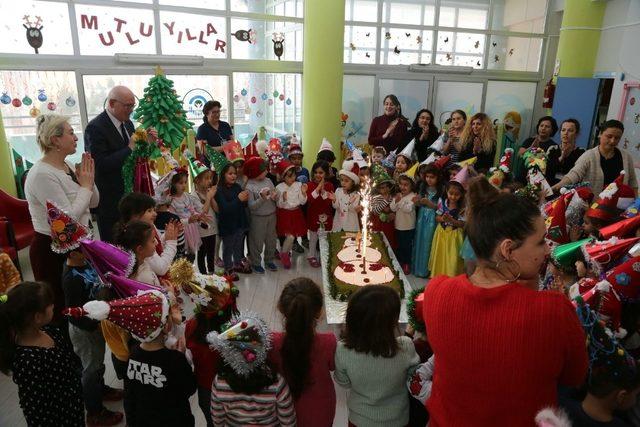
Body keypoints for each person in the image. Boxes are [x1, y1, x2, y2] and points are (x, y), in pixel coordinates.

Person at [421, 177, 588, 426]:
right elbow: (574, 376)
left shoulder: (437, 290)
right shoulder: (552, 310)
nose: (547, 251)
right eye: (541, 241)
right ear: (508, 249)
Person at [25, 114, 99, 323]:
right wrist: (85, 187)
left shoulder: (66, 166)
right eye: (70, 133)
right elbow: (66, 221)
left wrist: (89, 181)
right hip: (52, 251)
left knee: (83, 308)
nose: (76, 138)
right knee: (61, 311)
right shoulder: (41, 174)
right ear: (55, 140)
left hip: (77, 247)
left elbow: (93, 203)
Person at [0, 281, 84, 426]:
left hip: (72, 404)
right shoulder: (27, 361)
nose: (53, 306)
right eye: (50, 304)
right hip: (57, 417)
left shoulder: (50, 331)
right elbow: (35, 406)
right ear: (37, 317)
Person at [335, 285, 420, 427]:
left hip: (359, 420)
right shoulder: (406, 345)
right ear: (392, 322)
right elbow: (413, 376)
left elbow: (344, 382)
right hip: (397, 420)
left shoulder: (342, 350)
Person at [209, 313, 297, 426]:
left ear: (227, 353)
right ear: (264, 348)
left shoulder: (219, 382)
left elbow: (217, 420)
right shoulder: (276, 383)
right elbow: (288, 422)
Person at [271, 278, 337, 427]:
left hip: (282, 413)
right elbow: (334, 367)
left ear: (281, 308)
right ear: (319, 312)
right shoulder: (329, 342)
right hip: (321, 411)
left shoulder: (271, 342)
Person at [185, 274, 238, 427]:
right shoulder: (235, 332)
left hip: (205, 389)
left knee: (212, 422)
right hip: (230, 387)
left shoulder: (191, 326)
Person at [85, 85, 135, 243]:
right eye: (128, 105)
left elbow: (132, 156)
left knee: (130, 241)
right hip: (109, 198)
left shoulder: (128, 124)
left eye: (133, 105)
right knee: (113, 244)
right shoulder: (95, 127)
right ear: (112, 103)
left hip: (128, 194)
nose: (131, 110)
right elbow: (100, 164)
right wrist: (129, 148)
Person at [553, 120, 638, 196]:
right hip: (592, 207)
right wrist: (557, 186)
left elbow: (633, 183)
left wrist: (635, 206)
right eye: (609, 136)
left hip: (618, 208)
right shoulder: (589, 155)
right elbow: (574, 174)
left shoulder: (626, 157)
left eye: (617, 138)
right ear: (600, 134)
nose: (612, 141)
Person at [118, 192, 180, 278]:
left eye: (154, 210)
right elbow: (161, 268)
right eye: (149, 211)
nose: (155, 214)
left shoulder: (149, 226)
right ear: (135, 215)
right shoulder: (138, 236)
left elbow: (158, 245)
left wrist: (168, 235)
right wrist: (171, 242)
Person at [428, 171, 467, 278]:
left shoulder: (463, 208)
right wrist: (442, 218)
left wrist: (452, 221)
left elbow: (463, 224)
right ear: (446, 191)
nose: (453, 197)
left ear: (462, 194)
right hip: (441, 233)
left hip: (454, 236)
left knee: (452, 258)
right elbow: (437, 217)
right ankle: (439, 276)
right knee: (440, 255)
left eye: (457, 194)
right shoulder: (442, 202)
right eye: (451, 193)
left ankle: (451, 278)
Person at [215, 162, 250, 280]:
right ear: (223, 175)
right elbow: (225, 209)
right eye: (230, 173)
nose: (233, 176)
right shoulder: (219, 190)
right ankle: (228, 269)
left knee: (238, 245)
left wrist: (245, 198)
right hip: (227, 225)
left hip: (239, 223)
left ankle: (237, 264)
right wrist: (239, 199)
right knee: (228, 247)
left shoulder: (237, 187)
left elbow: (243, 205)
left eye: (235, 173)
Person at [244, 156, 278, 274]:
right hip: (257, 218)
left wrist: (275, 197)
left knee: (271, 241)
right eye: (264, 170)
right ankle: (256, 263)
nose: (267, 171)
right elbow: (252, 206)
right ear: (256, 171)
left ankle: (269, 260)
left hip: (271, 215)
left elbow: (274, 194)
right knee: (256, 242)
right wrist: (262, 199)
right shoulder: (249, 186)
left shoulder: (268, 181)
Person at [412, 163, 443, 278]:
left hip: (433, 219)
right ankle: (418, 268)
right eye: (427, 177)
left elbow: (442, 208)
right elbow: (420, 202)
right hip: (422, 217)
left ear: (438, 177)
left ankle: (427, 270)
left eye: (432, 177)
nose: (429, 180)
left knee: (429, 242)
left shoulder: (441, 190)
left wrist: (431, 205)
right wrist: (417, 201)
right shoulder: (423, 188)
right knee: (420, 239)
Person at [275, 160, 308, 269]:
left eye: (294, 175)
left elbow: (303, 202)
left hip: (296, 213)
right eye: (289, 176)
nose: (292, 178)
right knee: (289, 237)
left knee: (292, 237)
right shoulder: (279, 187)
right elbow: (279, 204)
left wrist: (303, 193)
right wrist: (283, 199)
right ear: (283, 177)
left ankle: (285, 252)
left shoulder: (298, 185)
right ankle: (284, 254)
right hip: (285, 215)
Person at [190, 166, 218, 275]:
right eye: (206, 178)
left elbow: (216, 209)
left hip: (212, 227)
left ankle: (212, 272)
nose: (210, 181)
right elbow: (203, 213)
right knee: (202, 253)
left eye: (210, 178)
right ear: (197, 180)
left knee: (211, 252)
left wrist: (211, 196)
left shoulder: (208, 192)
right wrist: (209, 197)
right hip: (201, 230)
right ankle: (203, 275)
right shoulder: (193, 196)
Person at [306, 161, 335, 268]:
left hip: (326, 215)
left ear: (326, 174)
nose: (318, 175)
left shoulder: (330, 185)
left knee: (324, 237)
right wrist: (317, 189)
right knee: (313, 237)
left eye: (321, 173)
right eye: (316, 172)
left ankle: (324, 255)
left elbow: (329, 203)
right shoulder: (309, 185)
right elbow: (309, 200)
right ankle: (311, 255)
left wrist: (323, 192)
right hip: (313, 215)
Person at [390, 174, 417, 275]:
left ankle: (407, 264)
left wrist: (399, 201)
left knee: (407, 247)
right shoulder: (398, 195)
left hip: (408, 227)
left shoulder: (413, 196)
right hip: (398, 225)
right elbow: (393, 208)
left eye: (406, 185)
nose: (403, 187)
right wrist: (396, 201)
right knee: (400, 245)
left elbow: (408, 208)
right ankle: (400, 262)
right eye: (401, 184)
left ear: (411, 186)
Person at [546, 118, 585, 186]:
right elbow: (547, 169)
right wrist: (561, 158)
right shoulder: (552, 149)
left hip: (570, 189)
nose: (565, 133)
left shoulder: (582, 152)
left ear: (576, 134)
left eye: (570, 130)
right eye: (563, 130)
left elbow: (580, 174)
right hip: (550, 186)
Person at [371, 163, 397, 249]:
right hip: (379, 225)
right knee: (379, 243)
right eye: (382, 188)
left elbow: (395, 208)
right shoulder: (376, 198)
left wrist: (392, 213)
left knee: (389, 242)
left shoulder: (392, 197)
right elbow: (375, 211)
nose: (385, 189)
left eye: (386, 187)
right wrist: (385, 201)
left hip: (389, 225)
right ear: (378, 189)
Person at [332, 160, 361, 232]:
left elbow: (352, 210)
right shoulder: (338, 191)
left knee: (350, 241)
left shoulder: (356, 194)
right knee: (337, 239)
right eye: (342, 180)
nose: (343, 183)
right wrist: (334, 200)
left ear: (353, 182)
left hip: (350, 223)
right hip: (338, 221)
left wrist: (350, 203)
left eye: (346, 181)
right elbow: (335, 207)